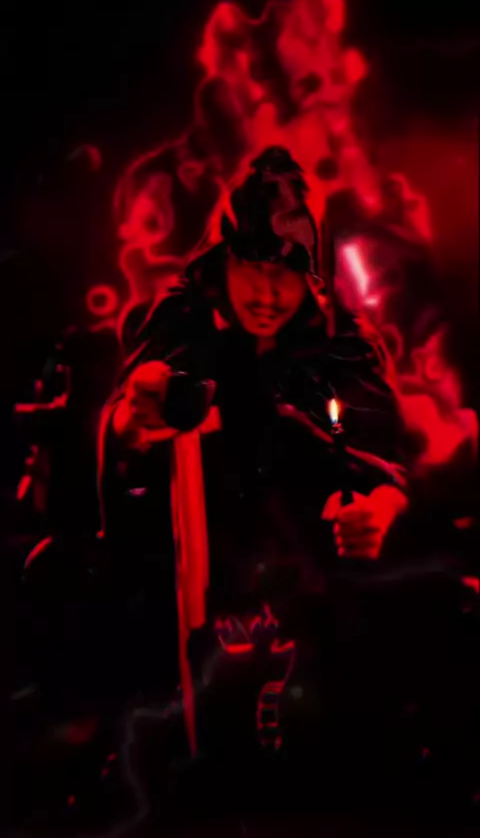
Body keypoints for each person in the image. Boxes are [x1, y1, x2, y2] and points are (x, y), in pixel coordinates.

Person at [98, 147, 414, 765]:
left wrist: (378, 511)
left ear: (311, 274)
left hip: (311, 587)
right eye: (253, 265)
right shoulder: (182, 323)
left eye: (287, 271)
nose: (268, 291)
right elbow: (127, 428)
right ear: (225, 259)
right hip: (197, 593)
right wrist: (137, 415)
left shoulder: (344, 344)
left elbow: (385, 465)